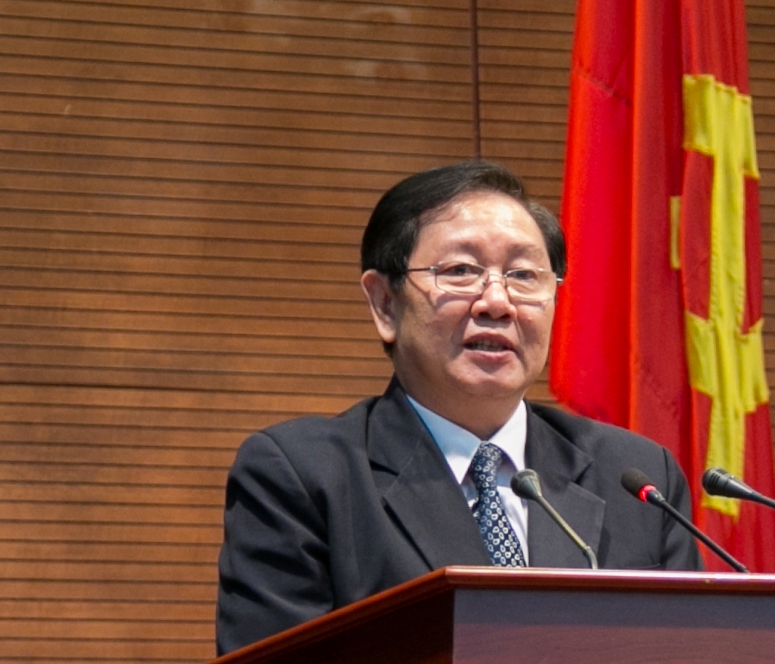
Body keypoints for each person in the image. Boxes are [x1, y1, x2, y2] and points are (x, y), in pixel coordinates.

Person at [215, 160, 703, 655]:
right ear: (385, 304)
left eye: (523, 275)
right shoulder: (304, 477)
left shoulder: (636, 480)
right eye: (461, 271)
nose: (497, 302)